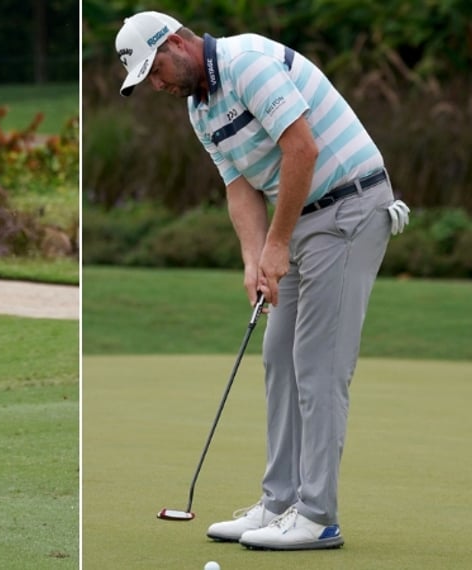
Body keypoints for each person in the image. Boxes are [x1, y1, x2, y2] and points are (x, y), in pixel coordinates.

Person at [116, 11, 409, 551]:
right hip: (301, 219)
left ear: (176, 43)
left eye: (155, 70)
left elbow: (302, 148)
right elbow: (240, 186)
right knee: (278, 355)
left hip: (349, 207)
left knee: (318, 365)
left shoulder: (246, 62)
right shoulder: (200, 108)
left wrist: (277, 243)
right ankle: (279, 503)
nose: (157, 85)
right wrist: (254, 259)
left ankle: (317, 517)